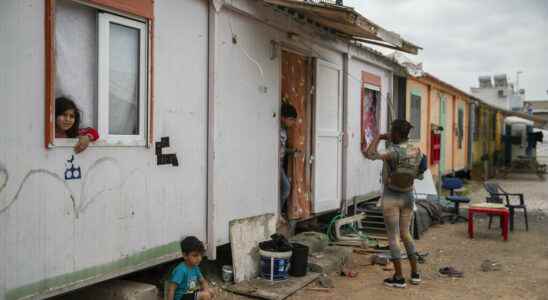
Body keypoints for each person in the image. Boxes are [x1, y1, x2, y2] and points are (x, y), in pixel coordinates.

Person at [366, 119, 423, 288]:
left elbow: (370, 154)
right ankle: (415, 273)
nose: (390, 133)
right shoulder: (416, 150)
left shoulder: (392, 151)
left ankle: (399, 276)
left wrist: (378, 137)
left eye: (392, 131)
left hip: (391, 195)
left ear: (396, 133)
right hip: (408, 196)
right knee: (406, 234)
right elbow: (420, 172)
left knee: (393, 236)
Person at [280, 100, 298, 213]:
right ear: (283, 118)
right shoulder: (277, 130)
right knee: (286, 188)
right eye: (291, 119)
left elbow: (281, 149)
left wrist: (292, 151)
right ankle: (278, 213)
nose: (292, 123)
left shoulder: (284, 130)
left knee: (284, 188)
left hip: (280, 164)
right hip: (275, 165)